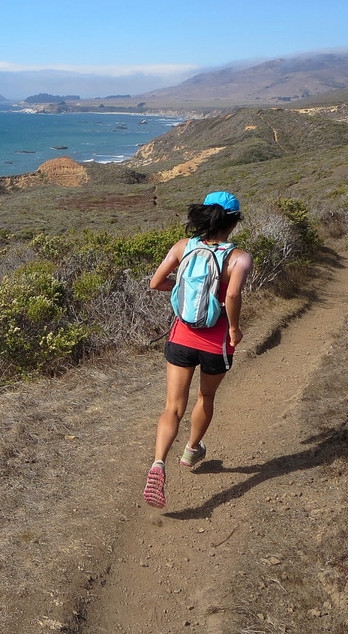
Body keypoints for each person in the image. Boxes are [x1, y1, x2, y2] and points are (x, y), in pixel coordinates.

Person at [142, 191, 252, 509]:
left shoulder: (182, 247)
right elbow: (231, 297)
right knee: (205, 397)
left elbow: (156, 283)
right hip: (216, 343)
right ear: (233, 222)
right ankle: (191, 449)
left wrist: (179, 290)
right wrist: (233, 328)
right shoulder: (238, 257)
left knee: (172, 407)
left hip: (181, 337)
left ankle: (158, 463)